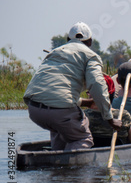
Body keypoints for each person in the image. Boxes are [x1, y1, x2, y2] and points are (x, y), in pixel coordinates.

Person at [23, 22, 122, 150]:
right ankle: (71, 169)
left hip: (34, 110)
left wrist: (86, 103)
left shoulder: (54, 53)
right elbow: (97, 84)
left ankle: (56, 162)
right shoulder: (91, 56)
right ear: (90, 42)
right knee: (82, 138)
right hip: (59, 112)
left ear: (68, 40)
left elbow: (53, 93)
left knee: (60, 128)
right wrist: (109, 118)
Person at [84, 74, 131, 146]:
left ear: (92, 94)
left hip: (92, 155)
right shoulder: (124, 116)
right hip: (119, 156)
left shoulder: (83, 116)